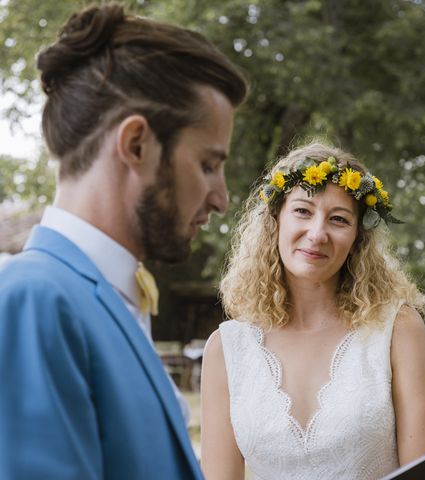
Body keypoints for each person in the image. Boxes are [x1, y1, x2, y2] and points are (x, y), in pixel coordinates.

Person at [0, 3, 247, 479]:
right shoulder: (35, 300)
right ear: (136, 144)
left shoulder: (106, 298)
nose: (221, 198)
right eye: (208, 165)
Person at [200, 142, 425, 479]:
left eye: (339, 219)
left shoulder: (396, 330)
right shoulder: (226, 350)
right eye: (302, 211)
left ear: (357, 238)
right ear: (275, 222)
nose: (317, 234)